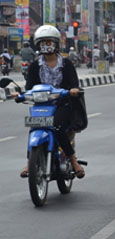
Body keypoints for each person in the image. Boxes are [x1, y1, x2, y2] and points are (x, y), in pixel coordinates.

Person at [12, 25, 87, 179]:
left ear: (56, 44)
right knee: (34, 127)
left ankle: (73, 161)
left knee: (58, 127)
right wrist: (20, 95)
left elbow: (74, 83)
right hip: (41, 105)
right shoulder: (34, 66)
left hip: (62, 104)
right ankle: (29, 162)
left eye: (49, 42)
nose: (46, 46)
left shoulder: (66, 64)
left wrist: (73, 90)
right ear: (38, 45)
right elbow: (29, 88)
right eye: (42, 43)